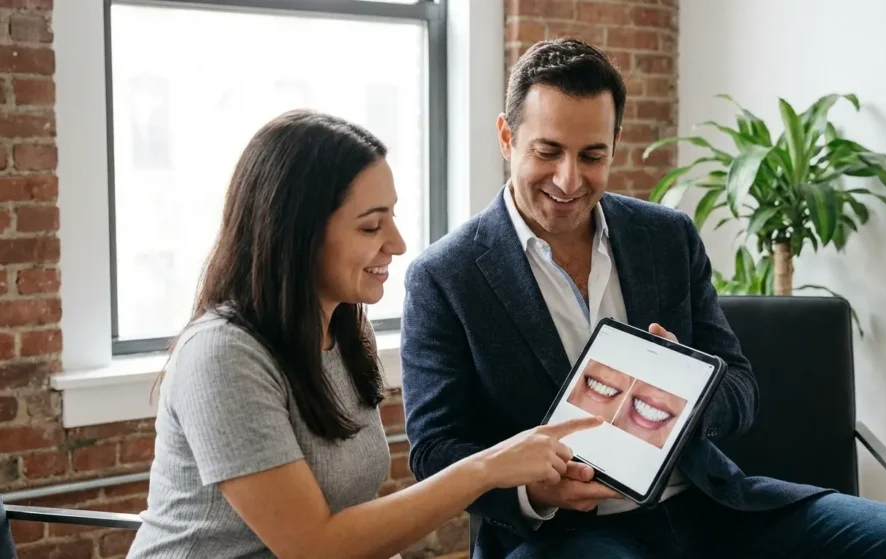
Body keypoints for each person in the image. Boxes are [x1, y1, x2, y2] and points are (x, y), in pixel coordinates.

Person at [399, 38, 886, 558]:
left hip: (710, 503)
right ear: (506, 136)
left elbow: (741, 388)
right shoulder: (443, 277)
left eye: (593, 155)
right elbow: (434, 452)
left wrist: (687, 395)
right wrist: (532, 489)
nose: (570, 180)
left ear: (616, 144)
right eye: (548, 151)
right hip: (566, 532)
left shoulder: (665, 237)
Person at [126, 109, 603, 559]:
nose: (396, 243)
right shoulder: (222, 356)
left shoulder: (345, 332)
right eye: (372, 225)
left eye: (392, 216)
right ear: (298, 235)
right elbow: (316, 548)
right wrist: (486, 467)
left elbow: (355, 528)